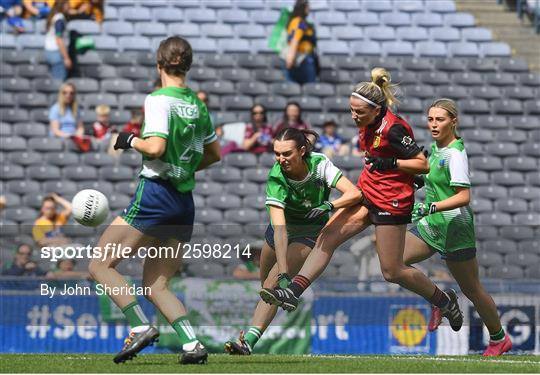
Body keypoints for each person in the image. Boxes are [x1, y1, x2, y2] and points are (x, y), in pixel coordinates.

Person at [259, 68, 465, 335]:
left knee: (392, 271)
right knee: (327, 237)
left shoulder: (394, 128)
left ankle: (443, 300)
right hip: (368, 193)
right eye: (351, 110)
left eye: (359, 112)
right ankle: (293, 291)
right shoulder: (368, 124)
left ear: (377, 110)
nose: (354, 116)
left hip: (392, 201)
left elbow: (422, 164)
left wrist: (392, 164)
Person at [88, 36, 221, 365]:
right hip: (183, 201)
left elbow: (156, 147)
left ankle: (139, 326)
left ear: (159, 64)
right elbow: (214, 154)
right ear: (187, 65)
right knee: (157, 284)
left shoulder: (159, 99)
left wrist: (130, 138)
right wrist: (185, 167)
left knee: (99, 264)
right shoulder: (197, 103)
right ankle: (192, 345)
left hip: (156, 194)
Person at [224, 127, 362, 355]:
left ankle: (247, 341)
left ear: (301, 151)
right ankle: (251, 331)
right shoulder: (276, 176)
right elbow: (279, 230)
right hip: (279, 231)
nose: (281, 159)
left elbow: (354, 194)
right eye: (277, 153)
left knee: (272, 283)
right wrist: (285, 273)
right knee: (267, 288)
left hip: (308, 233)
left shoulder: (319, 165)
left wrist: (328, 206)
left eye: (286, 154)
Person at [405, 98, 512, 356]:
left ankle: (499, 338)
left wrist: (430, 207)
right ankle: (441, 300)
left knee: (472, 288)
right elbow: (435, 183)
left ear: (453, 121)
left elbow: (463, 196)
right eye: (430, 119)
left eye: (439, 119)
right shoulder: (435, 148)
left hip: (455, 225)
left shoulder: (455, 152)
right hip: (433, 224)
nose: (433, 124)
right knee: (394, 262)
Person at [283, 0, 318, 84]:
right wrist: (290, 57)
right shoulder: (299, 22)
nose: (309, 9)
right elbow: (295, 39)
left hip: (306, 58)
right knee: (309, 86)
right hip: (301, 60)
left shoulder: (304, 22)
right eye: (307, 7)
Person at [44, 0, 71, 81]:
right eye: (67, 4)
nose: (69, 7)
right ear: (62, 5)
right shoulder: (59, 19)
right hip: (57, 54)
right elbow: (59, 39)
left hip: (49, 52)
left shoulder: (54, 16)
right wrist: (66, 58)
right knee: (59, 82)